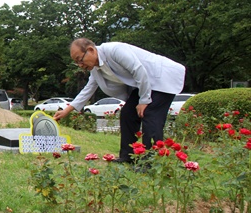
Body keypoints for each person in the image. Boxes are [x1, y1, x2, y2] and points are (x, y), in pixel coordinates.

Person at [53, 38, 185, 163]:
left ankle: (150, 161)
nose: (80, 65)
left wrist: (144, 100)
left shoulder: (114, 50)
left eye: (80, 60)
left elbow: (139, 70)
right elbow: (88, 89)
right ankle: (127, 157)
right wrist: (67, 110)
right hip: (144, 84)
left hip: (161, 78)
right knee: (128, 113)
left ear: (91, 50)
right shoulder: (95, 69)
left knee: (150, 115)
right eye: (76, 63)